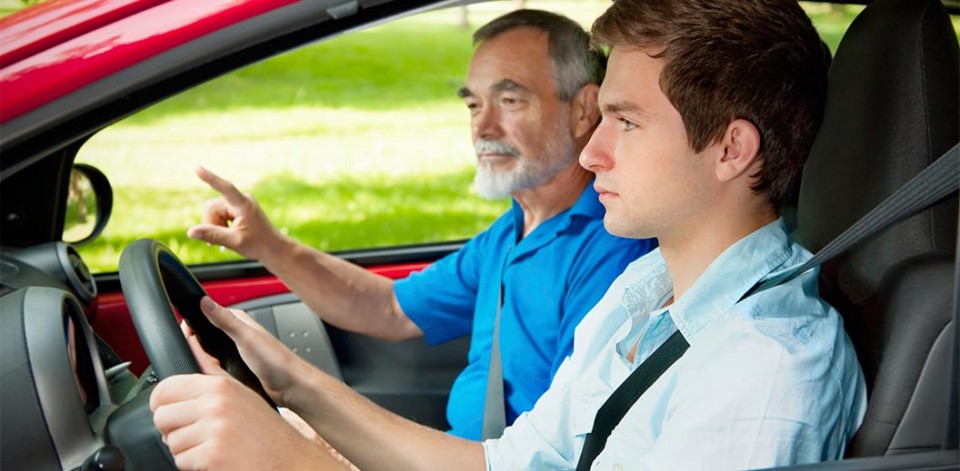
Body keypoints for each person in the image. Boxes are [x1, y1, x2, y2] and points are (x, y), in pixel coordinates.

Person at [150, 0, 868, 469]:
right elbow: (504, 463)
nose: (594, 152)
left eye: (626, 121)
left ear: (732, 150)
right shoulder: (646, 294)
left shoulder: (763, 369)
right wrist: (294, 387)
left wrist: (296, 461)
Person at [186, 9, 656, 441]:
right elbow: (389, 308)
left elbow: (563, 447)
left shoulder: (612, 247)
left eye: (509, 100)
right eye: (473, 106)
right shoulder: (514, 230)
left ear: (582, 110)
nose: (483, 127)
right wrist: (269, 245)